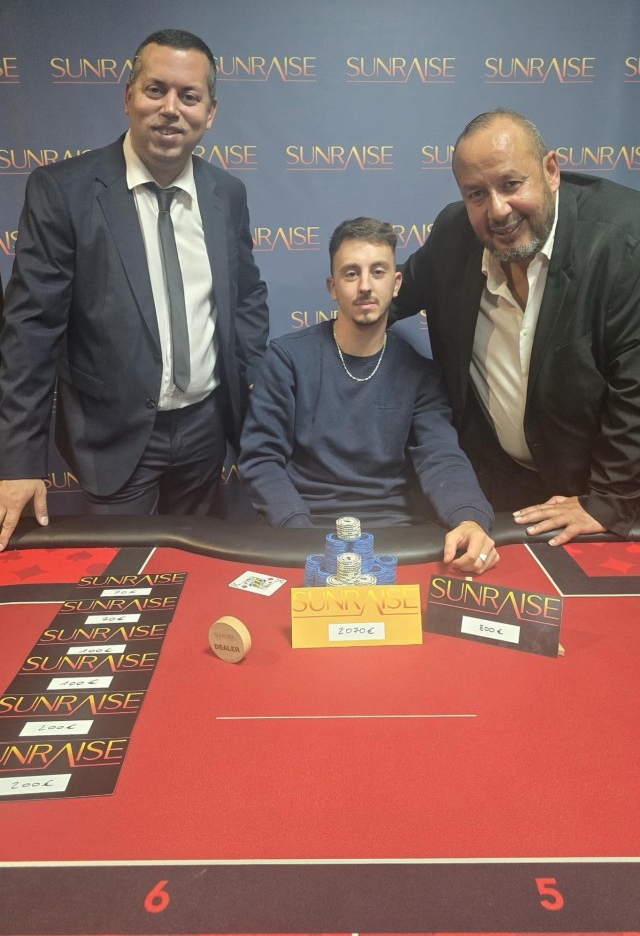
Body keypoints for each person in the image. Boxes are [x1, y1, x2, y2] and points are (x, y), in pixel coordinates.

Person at [0, 29, 268, 550]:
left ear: (210, 112)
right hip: (113, 434)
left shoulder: (227, 194)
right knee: (120, 577)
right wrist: (18, 460)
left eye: (189, 96)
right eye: (156, 89)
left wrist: (250, 376)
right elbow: (31, 331)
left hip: (207, 430)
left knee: (196, 567)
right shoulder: (64, 191)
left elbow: (247, 295)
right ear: (128, 96)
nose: (171, 109)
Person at [391, 108, 640, 546]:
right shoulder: (453, 235)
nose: (497, 210)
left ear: (551, 171)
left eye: (511, 184)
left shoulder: (624, 242)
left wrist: (607, 500)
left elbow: (635, 386)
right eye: (476, 194)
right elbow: (388, 296)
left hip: (601, 501)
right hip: (500, 489)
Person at [239, 217, 498, 576]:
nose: (365, 285)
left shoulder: (419, 372)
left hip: (396, 535)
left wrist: (468, 517)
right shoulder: (288, 359)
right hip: (304, 531)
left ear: (396, 283)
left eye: (377, 272)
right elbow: (262, 459)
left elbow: (441, 455)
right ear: (332, 287)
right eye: (351, 273)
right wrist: (297, 532)